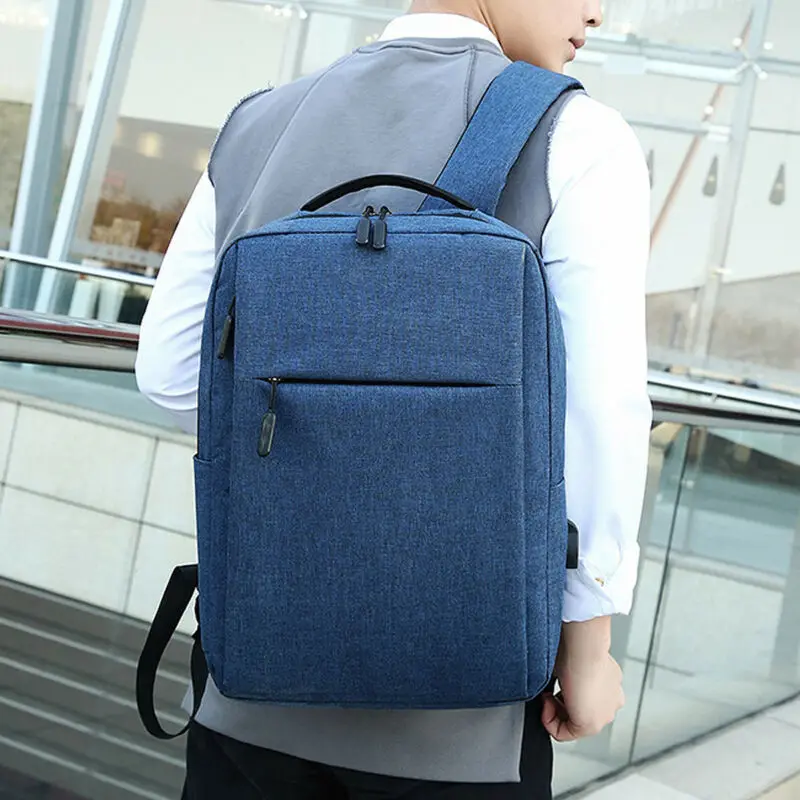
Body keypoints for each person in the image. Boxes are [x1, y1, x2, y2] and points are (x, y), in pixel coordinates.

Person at [135, 0, 652, 796]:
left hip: (248, 690)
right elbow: (597, 411)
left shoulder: (258, 123)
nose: (598, 11)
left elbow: (171, 373)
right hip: (461, 724)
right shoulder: (578, 136)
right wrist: (587, 641)